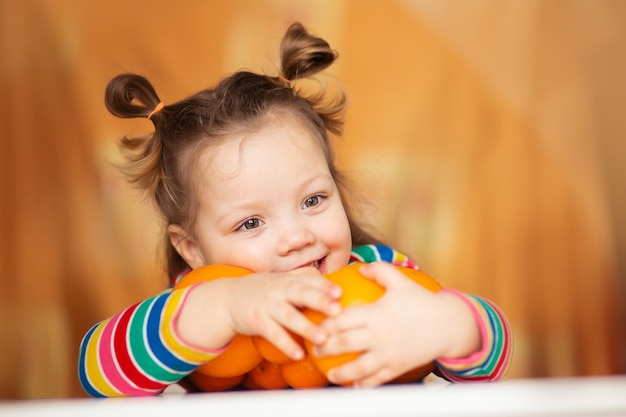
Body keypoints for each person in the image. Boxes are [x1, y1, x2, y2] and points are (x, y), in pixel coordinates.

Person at [78, 22, 512, 397]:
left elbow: (493, 354)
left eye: (312, 200)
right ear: (192, 248)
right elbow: (95, 368)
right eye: (250, 223)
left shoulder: (377, 276)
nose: (297, 237)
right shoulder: (195, 308)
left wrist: (449, 326)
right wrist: (228, 308)